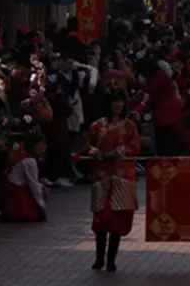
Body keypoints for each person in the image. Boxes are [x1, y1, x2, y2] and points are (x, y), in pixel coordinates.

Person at [81, 87, 139, 272]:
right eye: (114, 101)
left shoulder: (129, 126)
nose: (118, 105)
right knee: (101, 218)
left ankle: (111, 260)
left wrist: (119, 152)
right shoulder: (97, 126)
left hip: (122, 176)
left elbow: (135, 147)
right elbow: (86, 145)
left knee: (118, 218)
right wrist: (93, 151)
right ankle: (99, 258)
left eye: (120, 101)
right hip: (102, 176)